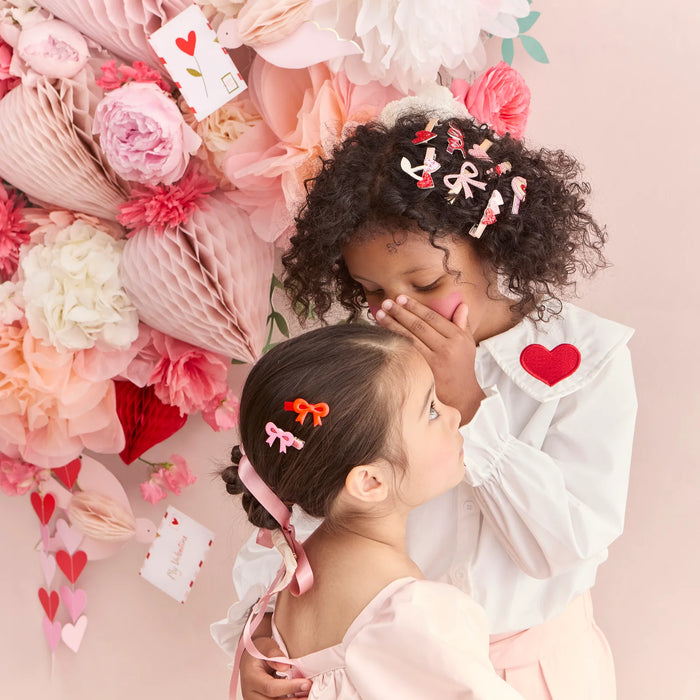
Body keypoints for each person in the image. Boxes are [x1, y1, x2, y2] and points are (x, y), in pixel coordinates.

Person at [221, 109, 637, 699]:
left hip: (534, 674)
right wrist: (261, 632)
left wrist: (470, 406)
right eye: (371, 292)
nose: (396, 310)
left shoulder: (589, 360)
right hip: (388, 676)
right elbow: (306, 504)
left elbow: (560, 550)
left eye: (425, 285)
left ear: (494, 250)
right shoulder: (373, 365)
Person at [212, 324, 523, 700]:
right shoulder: (417, 614)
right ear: (370, 482)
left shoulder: (291, 578)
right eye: (431, 410)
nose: (456, 415)